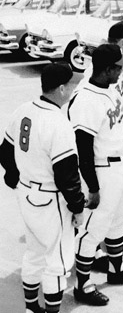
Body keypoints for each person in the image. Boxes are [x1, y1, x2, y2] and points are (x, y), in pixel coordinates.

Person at [0, 63, 85, 313]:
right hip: (50, 199)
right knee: (57, 262)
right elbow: (67, 176)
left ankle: (30, 308)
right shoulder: (58, 123)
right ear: (61, 89)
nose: (73, 88)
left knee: (34, 253)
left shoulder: (23, 110)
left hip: (26, 193)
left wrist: (14, 177)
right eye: (71, 84)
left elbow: (5, 150)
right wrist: (77, 208)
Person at [69, 44, 123, 306]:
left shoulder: (110, 89)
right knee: (92, 230)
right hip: (103, 171)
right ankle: (82, 285)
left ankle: (115, 271)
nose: (122, 71)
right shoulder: (86, 98)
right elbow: (83, 147)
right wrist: (92, 186)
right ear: (107, 69)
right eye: (118, 67)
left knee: (119, 222)